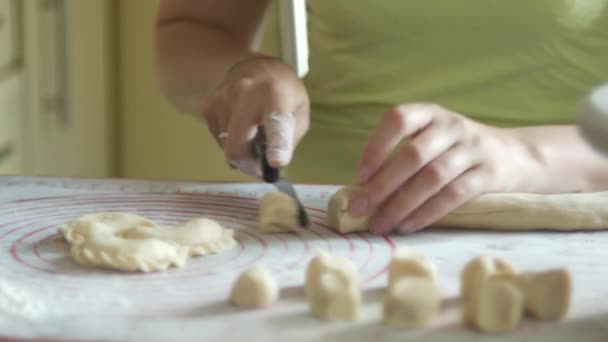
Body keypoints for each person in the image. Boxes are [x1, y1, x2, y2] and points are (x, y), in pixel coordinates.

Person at [154, 1, 608, 234]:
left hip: (566, 206)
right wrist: (243, 76)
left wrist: (525, 156)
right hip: (324, 224)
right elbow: (193, 30)